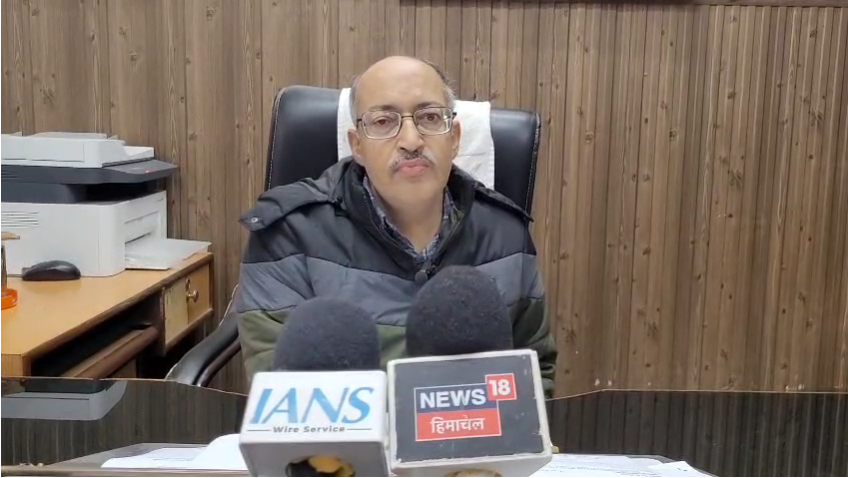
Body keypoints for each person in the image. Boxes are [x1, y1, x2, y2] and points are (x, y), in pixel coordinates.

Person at [233, 56, 558, 396]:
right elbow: (280, 393)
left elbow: (535, 375)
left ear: (454, 138)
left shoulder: (507, 234)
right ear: (357, 146)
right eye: (384, 121)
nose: (411, 141)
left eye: (430, 117)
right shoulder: (287, 234)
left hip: (473, 431)